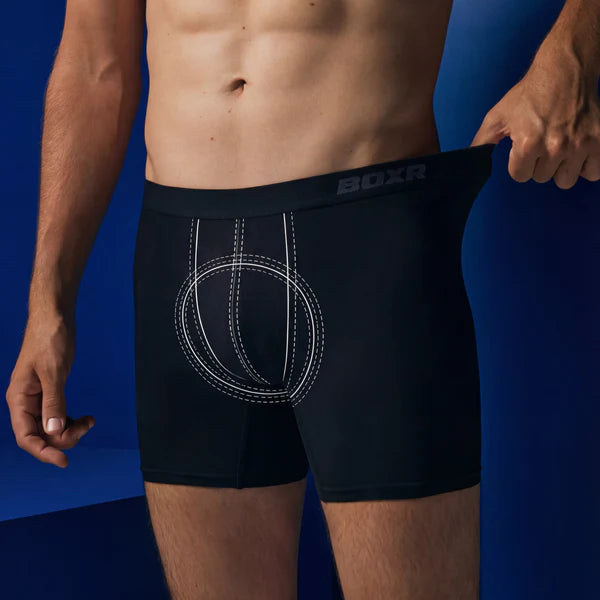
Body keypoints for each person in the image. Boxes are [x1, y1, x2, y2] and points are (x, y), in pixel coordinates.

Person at [5, 1, 599, 599]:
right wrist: (48, 303)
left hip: (367, 254)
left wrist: (569, 57)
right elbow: (94, 64)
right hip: (183, 263)